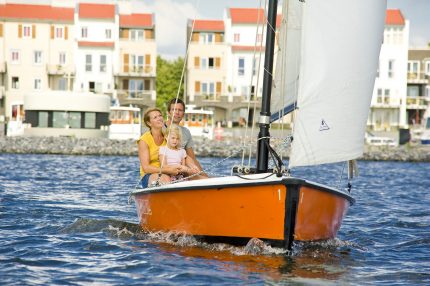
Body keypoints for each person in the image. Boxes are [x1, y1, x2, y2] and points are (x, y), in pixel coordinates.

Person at [137, 108, 188, 188]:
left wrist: (192, 169)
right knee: (165, 179)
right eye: (155, 117)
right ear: (149, 123)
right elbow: (146, 168)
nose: (159, 118)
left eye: (160, 116)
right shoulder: (144, 140)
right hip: (150, 175)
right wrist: (167, 170)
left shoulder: (168, 137)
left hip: (171, 172)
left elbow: (180, 152)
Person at [166, 98, 208, 178]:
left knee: (206, 179)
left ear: (183, 114)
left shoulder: (186, 132)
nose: (177, 112)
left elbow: (192, 158)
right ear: (168, 112)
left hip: (183, 170)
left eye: (180, 110)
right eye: (174, 109)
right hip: (168, 169)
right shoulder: (162, 129)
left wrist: (204, 174)